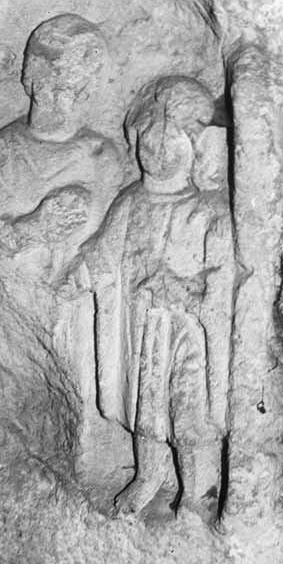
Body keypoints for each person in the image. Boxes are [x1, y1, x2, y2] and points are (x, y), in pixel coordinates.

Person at [86, 75, 234, 523]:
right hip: (143, 329)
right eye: (148, 143)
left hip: (189, 336)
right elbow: (104, 254)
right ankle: (148, 475)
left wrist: (185, 289)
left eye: (170, 146)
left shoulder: (211, 211)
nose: (156, 155)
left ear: (195, 150)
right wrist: (86, 272)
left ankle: (197, 490)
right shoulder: (130, 203)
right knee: (146, 410)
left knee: (190, 415)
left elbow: (223, 279)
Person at [0, 13, 124, 289]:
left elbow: (106, 248)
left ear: (88, 86)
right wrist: (34, 227)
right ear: (28, 75)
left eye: (66, 79)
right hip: (3, 295)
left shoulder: (102, 157)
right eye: (44, 67)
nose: (53, 85)